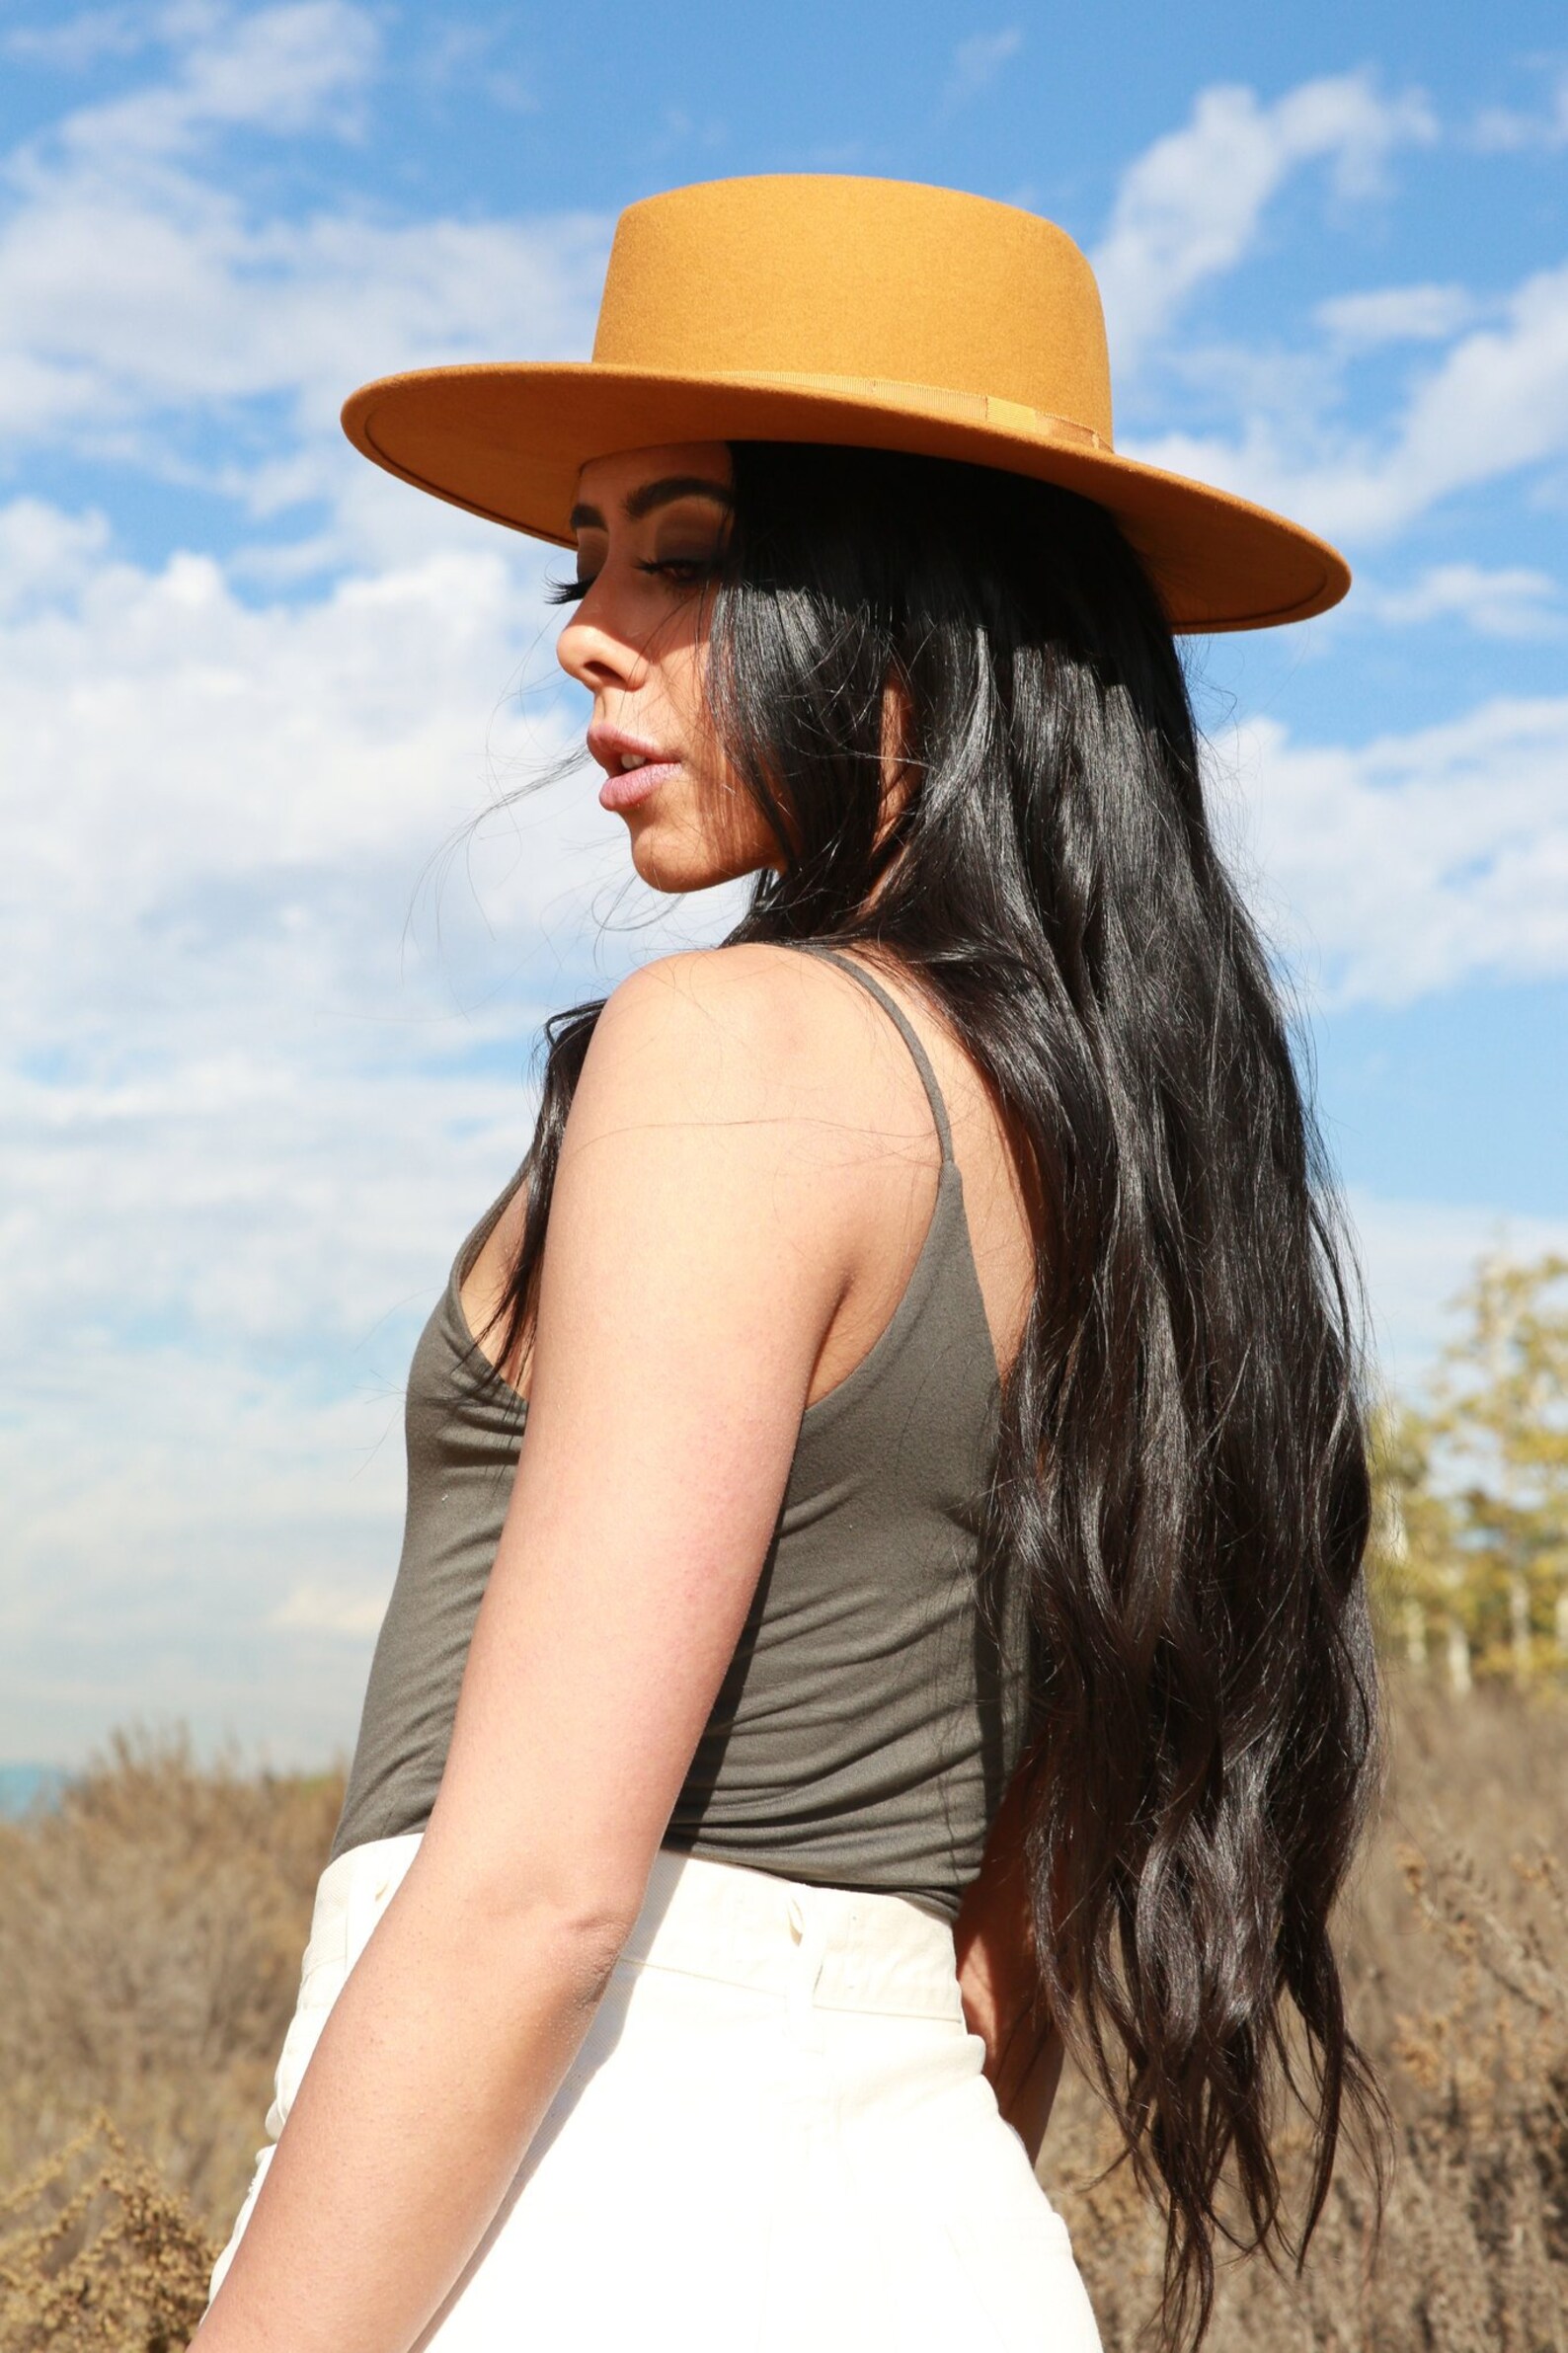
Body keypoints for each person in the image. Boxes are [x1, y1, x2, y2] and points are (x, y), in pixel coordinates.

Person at [196, 175, 1385, 2353]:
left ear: (910, 590)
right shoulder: (1132, 1151)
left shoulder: (733, 1045)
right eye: (580, 558)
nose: (582, 627)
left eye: (686, 553)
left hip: (584, 2210)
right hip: (919, 2243)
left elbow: (539, 1895)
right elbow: (998, 1970)